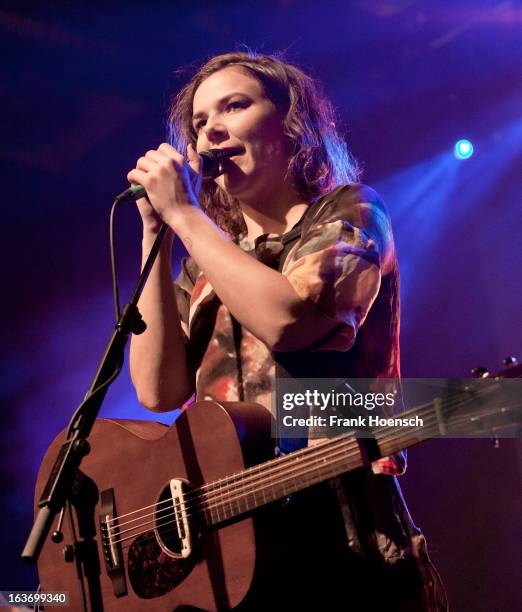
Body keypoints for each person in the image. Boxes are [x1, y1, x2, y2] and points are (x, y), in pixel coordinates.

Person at [127, 51, 447, 610]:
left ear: (290, 125)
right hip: (234, 546)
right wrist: (156, 235)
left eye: (235, 106)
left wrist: (186, 217)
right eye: (199, 122)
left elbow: (287, 322)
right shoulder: (204, 264)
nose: (210, 132)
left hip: (342, 533)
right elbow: (157, 390)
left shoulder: (350, 213)